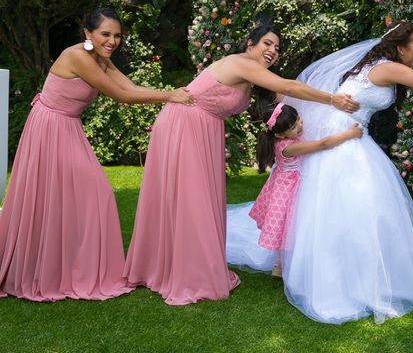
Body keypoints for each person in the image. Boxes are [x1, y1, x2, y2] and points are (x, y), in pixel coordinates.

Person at [227, 21, 413, 324]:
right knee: (356, 206)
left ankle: (353, 273)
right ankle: (343, 282)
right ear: (399, 47)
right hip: (346, 138)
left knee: (350, 209)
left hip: (351, 134)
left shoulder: (380, 66)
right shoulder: (387, 67)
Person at [123, 25, 359, 306]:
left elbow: (288, 96)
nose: (272, 51)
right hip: (184, 123)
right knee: (190, 199)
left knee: (201, 199)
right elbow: (287, 85)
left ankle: (184, 266)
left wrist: (333, 105)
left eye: (277, 48)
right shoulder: (239, 63)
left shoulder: (253, 79)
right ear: (250, 43)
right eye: (267, 44)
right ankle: (183, 272)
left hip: (204, 128)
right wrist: (332, 99)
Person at [0, 7, 194, 301]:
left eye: (117, 35)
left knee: (72, 198)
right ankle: (72, 271)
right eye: (105, 34)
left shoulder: (101, 59)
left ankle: (69, 267)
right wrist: (168, 95)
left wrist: (169, 91)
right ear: (87, 34)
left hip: (67, 127)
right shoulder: (78, 56)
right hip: (49, 127)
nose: (112, 41)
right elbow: (121, 96)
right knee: (95, 193)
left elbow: (129, 85)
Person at [250, 102, 363, 277]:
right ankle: (283, 264)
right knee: (290, 224)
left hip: (282, 183)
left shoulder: (280, 140)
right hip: (289, 188)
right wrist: (350, 134)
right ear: (280, 134)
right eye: (294, 127)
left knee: (286, 225)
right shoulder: (290, 146)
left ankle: (279, 265)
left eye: (299, 120)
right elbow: (323, 144)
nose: (300, 126)